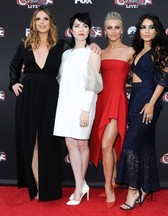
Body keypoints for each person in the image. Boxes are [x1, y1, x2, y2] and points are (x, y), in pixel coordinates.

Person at [9, 7, 100, 202]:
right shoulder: (24, 45)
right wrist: (13, 82)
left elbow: (81, 50)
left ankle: (54, 188)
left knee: (48, 144)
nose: (42, 22)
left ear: (51, 23)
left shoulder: (62, 46)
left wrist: (94, 47)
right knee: (31, 143)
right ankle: (39, 187)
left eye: (46, 19)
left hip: (52, 97)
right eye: (38, 19)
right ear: (33, 23)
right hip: (29, 96)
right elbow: (14, 66)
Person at [116, 14, 168, 210]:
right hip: (135, 102)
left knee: (130, 145)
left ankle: (133, 191)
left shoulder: (159, 50)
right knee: (145, 146)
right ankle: (146, 187)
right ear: (139, 30)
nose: (146, 30)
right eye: (143, 27)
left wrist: (151, 103)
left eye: (150, 27)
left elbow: (164, 79)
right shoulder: (140, 51)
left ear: (157, 31)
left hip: (148, 103)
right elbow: (137, 78)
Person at [53, 12, 101, 206]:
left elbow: (93, 83)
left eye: (85, 26)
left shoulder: (94, 53)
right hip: (65, 104)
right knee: (70, 143)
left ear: (90, 30)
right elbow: (61, 80)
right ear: (71, 30)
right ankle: (80, 183)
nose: (81, 30)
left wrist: (85, 109)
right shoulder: (65, 54)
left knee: (82, 144)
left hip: (84, 104)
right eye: (78, 26)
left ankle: (80, 187)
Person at [89, 12, 134, 208]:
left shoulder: (131, 51)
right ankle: (114, 179)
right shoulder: (101, 53)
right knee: (109, 144)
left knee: (107, 145)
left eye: (117, 27)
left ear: (122, 29)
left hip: (118, 102)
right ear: (104, 30)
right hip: (101, 101)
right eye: (110, 28)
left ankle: (107, 186)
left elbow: (141, 77)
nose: (113, 31)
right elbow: (94, 79)